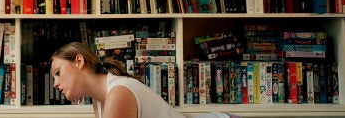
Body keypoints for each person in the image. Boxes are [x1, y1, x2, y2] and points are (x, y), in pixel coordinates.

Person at [51, 42, 235, 118]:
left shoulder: (118, 94)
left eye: (58, 72)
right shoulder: (99, 99)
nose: (55, 84)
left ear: (79, 61)